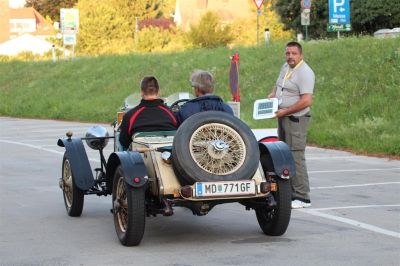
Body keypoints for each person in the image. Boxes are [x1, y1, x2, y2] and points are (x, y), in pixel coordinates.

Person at [268, 41, 315, 209]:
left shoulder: (305, 72)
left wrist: (285, 111)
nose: (290, 56)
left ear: (300, 55)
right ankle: (292, 194)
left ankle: (302, 197)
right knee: (285, 156)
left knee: (296, 156)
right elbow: (279, 85)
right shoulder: (286, 67)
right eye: (288, 53)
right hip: (284, 117)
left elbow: (306, 101)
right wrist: (273, 96)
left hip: (295, 119)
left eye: (294, 53)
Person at [119, 76, 177, 150]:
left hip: (139, 159)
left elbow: (123, 142)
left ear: (142, 93)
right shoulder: (171, 114)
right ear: (158, 92)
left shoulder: (130, 116)